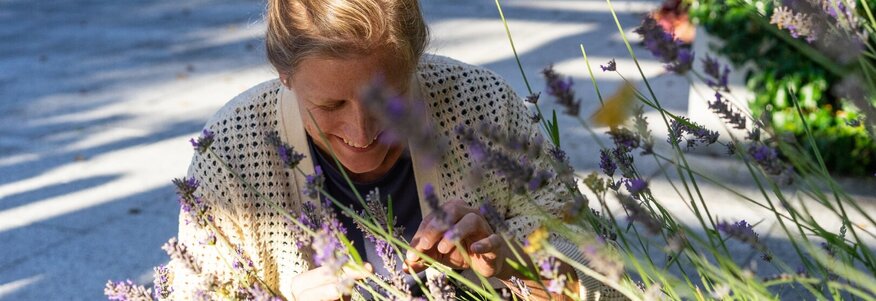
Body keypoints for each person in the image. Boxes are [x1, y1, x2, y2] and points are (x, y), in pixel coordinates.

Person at [167, 0, 626, 300]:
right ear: (284, 76)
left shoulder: (482, 107)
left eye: (388, 101)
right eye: (329, 105)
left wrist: (519, 260)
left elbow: (611, 280)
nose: (362, 132)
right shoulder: (231, 149)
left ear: (415, 64)